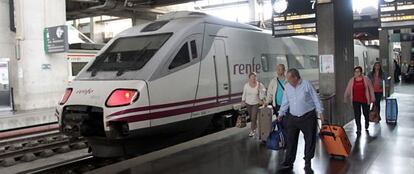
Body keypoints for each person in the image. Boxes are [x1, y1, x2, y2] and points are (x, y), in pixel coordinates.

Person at [278, 69, 324, 171]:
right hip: (293, 117)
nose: (287, 81)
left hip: (308, 117)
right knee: (291, 140)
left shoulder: (306, 84)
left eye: (289, 78)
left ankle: (307, 161)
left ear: (295, 77)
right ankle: (289, 161)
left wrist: (320, 112)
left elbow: (316, 98)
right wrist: (281, 113)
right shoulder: (287, 87)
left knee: (309, 140)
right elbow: (285, 102)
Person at [344, 66, 375, 134]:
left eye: (358, 71)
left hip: (365, 100)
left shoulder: (366, 79)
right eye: (355, 72)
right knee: (357, 115)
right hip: (355, 100)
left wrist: (372, 97)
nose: (356, 73)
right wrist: (345, 97)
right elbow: (348, 89)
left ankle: (367, 122)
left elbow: (371, 88)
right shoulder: (352, 80)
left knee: (365, 113)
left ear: (361, 72)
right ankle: (358, 128)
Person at [241, 72, 266, 137]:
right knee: (252, 117)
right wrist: (243, 101)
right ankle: (255, 126)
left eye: (255, 77)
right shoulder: (246, 85)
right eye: (252, 78)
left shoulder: (260, 85)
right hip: (248, 103)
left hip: (256, 103)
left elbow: (263, 93)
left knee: (253, 117)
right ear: (249, 78)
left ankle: (252, 131)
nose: (253, 79)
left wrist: (261, 97)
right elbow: (244, 93)